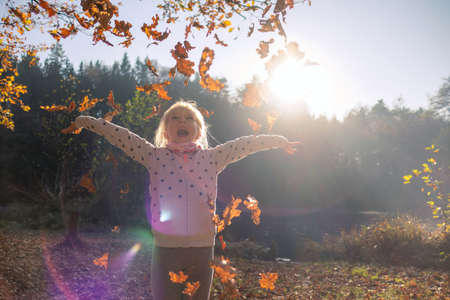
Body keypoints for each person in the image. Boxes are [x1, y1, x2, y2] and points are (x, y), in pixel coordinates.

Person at [74, 100, 299, 300]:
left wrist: (278, 141)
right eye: (174, 118)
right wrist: (87, 122)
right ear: (165, 131)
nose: (182, 121)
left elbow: (244, 145)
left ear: (199, 131)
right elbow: (121, 137)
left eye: (189, 118)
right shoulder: (154, 156)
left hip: (202, 249)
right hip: (166, 249)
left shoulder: (212, 158)